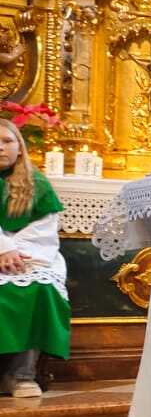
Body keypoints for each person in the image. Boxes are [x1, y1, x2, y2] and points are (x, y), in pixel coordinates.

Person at [0, 120, 68, 398]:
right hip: (5, 253)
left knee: (37, 288)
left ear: (20, 148)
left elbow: (44, 230)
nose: (0, 147)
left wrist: (13, 253)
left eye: (7, 141)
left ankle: (20, 376)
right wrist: (2, 248)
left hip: (30, 256)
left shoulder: (36, 184)